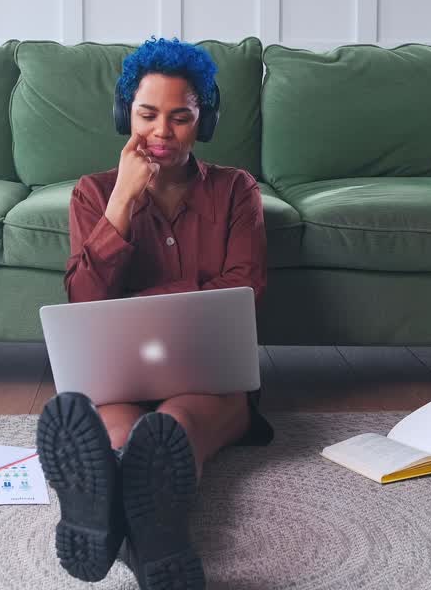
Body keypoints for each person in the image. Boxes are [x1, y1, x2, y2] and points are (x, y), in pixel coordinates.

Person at [36, 38, 274, 590]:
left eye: (180, 117)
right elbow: (85, 301)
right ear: (126, 115)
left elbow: (245, 288)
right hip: (119, 376)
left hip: (207, 376)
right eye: (147, 115)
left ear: (203, 121)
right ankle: (148, 538)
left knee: (172, 426)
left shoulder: (237, 190)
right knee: (116, 434)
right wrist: (121, 201)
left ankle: (114, 521)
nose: (162, 132)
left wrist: (137, 303)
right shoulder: (94, 193)